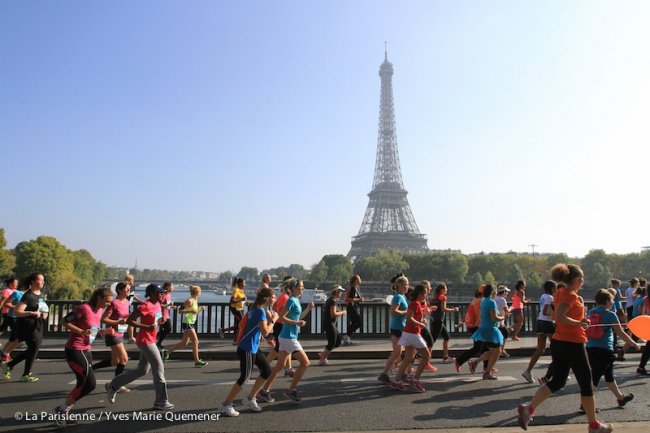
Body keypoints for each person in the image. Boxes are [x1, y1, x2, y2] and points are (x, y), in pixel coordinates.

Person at [517, 263, 613, 433]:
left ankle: (528, 409)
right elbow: (560, 317)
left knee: (558, 380)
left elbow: (555, 316)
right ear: (576, 280)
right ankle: (594, 425)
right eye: (582, 279)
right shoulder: (571, 296)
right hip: (573, 343)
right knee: (586, 383)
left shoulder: (559, 292)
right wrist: (580, 322)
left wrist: (577, 321)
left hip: (559, 342)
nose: (583, 282)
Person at [106, 284, 174, 411]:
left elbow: (154, 319)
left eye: (162, 293)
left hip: (151, 339)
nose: (162, 295)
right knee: (159, 368)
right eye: (160, 293)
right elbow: (129, 320)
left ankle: (113, 385)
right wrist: (146, 327)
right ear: (152, 294)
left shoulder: (157, 304)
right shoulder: (145, 306)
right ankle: (161, 401)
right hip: (145, 340)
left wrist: (161, 320)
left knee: (142, 370)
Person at [53, 288, 115, 427]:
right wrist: (81, 331)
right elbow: (64, 321)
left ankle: (64, 411)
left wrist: (103, 331)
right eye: (107, 301)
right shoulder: (84, 308)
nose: (108, 305)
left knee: (82, 383)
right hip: (75, 350)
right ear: (99, 297)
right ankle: (62, 410)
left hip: (87, 350)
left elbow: (91, 330)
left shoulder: (98, 311)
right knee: (90, 384)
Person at [219, 287, 278, 417]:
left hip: (253, 347)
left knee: (266, 371)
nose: (275, 299)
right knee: (244, 378)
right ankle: (226, 405)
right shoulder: (260, 311)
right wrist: (273, 319)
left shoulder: (254, 308)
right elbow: (266, 332)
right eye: (274, 297)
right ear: (268, 298)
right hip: (247, 348)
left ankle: (251, 398)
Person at [259, 279, 314, 403]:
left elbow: (297, 317)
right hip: (289, 337)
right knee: (305, 363)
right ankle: (291, 390)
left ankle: (264, 391)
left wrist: (308, 309)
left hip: (286, 336)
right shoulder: (291, 300)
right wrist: (297, 323)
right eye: (301, 286)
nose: (303, 289)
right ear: (293, 288)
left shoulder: (296, 301)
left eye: (303, 287)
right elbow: (281, 317)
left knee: (280, 366)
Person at [584, 288, 638, 411]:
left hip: (591, 347)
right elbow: (620, 333)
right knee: (595, 378)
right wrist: (633, 342)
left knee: (609, 375)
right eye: (612, 300)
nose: (613, 302)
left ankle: (621, 397)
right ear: (608, 300)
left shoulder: (591, 312)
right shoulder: (610, 314)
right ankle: (586, 405)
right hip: (604, 349)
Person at [3, 272, 47, 382]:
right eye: (40, 280)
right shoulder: (28, 295)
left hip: (37, 324)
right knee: (34, 347)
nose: (42, 282)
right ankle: (26, 374)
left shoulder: (39, 293)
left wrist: (44, 312)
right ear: (33, 281)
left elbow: (41, 306)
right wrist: (31, 313)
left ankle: (10, 365)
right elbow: (17, 311)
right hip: (27, 326)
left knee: (33, 348)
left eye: (43, 280)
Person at [389, 284, 431, 392]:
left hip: (408, 334)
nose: (426, 296)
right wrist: (420, 324)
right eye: (425, 293)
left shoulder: (415, 304)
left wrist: (421, 321)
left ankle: (397, 381)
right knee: (427, 356)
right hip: (413, 334)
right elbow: (409, 318)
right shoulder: (415, 304)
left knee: (407, 359)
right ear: (420, 294)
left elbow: (412, 317)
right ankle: (415, 379)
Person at [91, 282, 131, 393]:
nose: (129, 291)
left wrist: (128, 318)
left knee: (115, 361)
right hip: (112, 334)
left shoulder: (127, 302)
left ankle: (90, 369)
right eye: (127, 289)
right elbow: (103, 319)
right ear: (119, 290)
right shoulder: (114, 303)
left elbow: (124, 316)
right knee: (124, 359)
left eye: (129, 289)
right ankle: (116, 385)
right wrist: (118, 321)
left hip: (121, 333)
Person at [467, 284, 506, 380]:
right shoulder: (491, 302)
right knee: (496, 351)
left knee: (494, 351)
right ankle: (486, 372)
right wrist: (503, 317)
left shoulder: (483, 301)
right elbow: (494, 318)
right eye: (496, 291)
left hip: (484, 328)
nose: (497, 292)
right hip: (490, 329)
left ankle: (475, 363)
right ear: (493, 292)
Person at [163, 285, 208, 367]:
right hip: (187, 323)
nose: (200, 293)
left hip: (191, 322)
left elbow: (194, 313)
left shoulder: (195, 300)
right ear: (197, 292)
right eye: (200, 291)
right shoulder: (189, 301)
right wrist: (190, 310)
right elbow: (180, 311)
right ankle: (197, 361)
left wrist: (200, 310)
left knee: (184, 343)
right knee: (195, 341)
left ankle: (167, 352)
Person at [522, 280, 557, 383]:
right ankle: (556, 371)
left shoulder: (543, 296)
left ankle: (528, 371)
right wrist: (555, 313)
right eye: (555, 288)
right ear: (552, 288)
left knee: (540, 349)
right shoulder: (550, 298)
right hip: (548, 323)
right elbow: (546, 311)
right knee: (557, 347)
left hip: (540, 322)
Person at [378, 274, 409, 384]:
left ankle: (397, 371)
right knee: (397, 353)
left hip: (400, 327)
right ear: (400, 285)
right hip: (397, 327)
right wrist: (406, 312)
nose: (407, 287)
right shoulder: (397, 297)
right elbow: (393, 311)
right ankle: (386, 373)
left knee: (400, 353)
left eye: (407, 285)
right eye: (405, 285)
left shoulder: (401, 296)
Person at [318, 285, 347, 366]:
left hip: (330, 323)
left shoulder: (331, 300)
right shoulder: (332, 301)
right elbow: (333, 314)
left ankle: (323, 354)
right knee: (332, 343)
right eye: (340, 291)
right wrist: (343, 312)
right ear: (336, 291)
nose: (341, 293)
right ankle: (322, 359)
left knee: (337, 341)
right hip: (329, 324)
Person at [430, 282, 458, 363]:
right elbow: (443, 309)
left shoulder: (434, 298)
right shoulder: (442, 297)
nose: (447, 290)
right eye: (446, 288)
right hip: (438, 321)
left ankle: (445, 356)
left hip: (434, 319)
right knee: (432, 340)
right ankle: (422, 355)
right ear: (442, 290)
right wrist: (454, 309)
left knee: (446, 337)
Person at [219, 277, 247, 343]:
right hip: (236, 309)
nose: (245, 284)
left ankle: (235, 339)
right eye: (244, 283)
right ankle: (237, 339)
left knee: (238, 325)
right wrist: (241, 299)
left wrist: (247, 303)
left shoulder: (241, 291)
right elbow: (232, 301)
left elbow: (243, 300)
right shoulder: (236, 290)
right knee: (242, 324)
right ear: (240, 283)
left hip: (241, 309)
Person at [343, 275, 364, 345]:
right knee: (358, 323)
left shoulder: (354, 288)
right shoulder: (353, 289)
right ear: (355, 280)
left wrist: (359, 299)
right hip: (352, 308)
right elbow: (349, 298)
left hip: (352, 308)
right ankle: (347, 336)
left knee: (355, 323)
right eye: (359, 279)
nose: (360, 279)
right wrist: (359, 299)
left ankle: (347, 337)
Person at [156, 281, 174, 350]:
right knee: (168, 329)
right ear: (167, 287)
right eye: (172, 286)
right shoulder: (163, 294)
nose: (173, 288)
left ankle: (158, 342)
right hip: (162, 314)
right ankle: (156, 340)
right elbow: (159, 305)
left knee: (168, 329)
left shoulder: (169, 295)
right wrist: (168, 305)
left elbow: (166, 306)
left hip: (166, 314)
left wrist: (171, 307)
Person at [494, 285, 511, 358]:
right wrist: (512, 308)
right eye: (506, 292)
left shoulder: (495, 299)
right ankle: (501, 350)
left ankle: (500, 350)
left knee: (500, 335)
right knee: (505, 334)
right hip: (500, 321)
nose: (507, 293)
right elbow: (506, 310)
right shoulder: (502, 300)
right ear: (503, 292)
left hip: (496, 320)